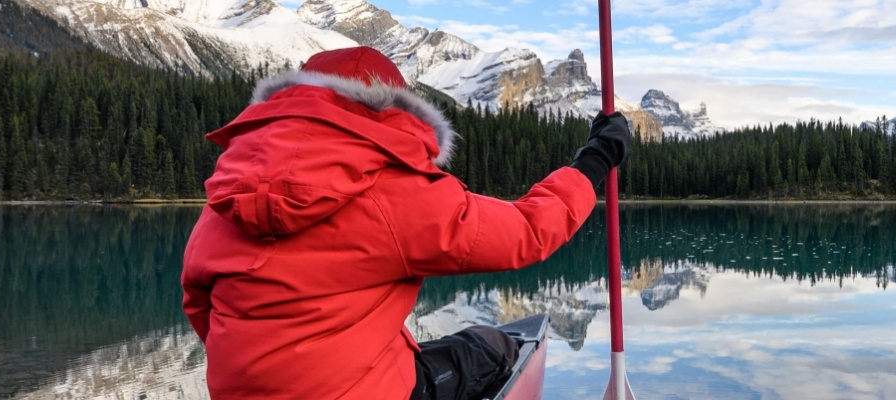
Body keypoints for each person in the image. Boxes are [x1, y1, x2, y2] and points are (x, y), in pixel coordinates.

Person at [180, 46, 631, 400]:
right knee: (493, 347)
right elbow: (527, 233)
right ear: (391, 112)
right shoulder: (392, 191)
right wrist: (594, 161)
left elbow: (199, 306)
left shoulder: (224, 196)